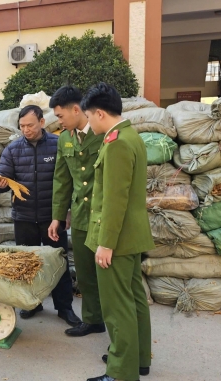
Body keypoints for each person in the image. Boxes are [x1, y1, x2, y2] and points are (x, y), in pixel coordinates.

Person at [81, 83, 154, 381]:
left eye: (88, 117)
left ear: (100, 114)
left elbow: (114, 199)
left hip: (117, 238)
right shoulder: (129, 136)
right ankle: (137, 358)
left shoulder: (117, 143)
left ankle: (122, 372)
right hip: (131, 235)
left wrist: (105, 243)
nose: (88, 123)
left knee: (117, 305)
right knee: (134, 298)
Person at [0, 105, 81, 327]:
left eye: (30, 125)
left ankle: (65, 307)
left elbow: (69, 179)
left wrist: (65, 211)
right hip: (23, 216)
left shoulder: (57, 144)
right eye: (22, 126)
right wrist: (0, 184)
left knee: (57, 263)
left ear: (42, 122)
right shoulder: (12, 150)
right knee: (27, 263)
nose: (26, 130)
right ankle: (32, 303)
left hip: (52, 217)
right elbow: (3, 180)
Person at [48, 86, 107, 338]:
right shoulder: (64, 139)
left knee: (107, 277)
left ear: (75, 109)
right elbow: (62, 181)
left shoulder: (103, 134)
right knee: (84, 273)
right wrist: (57, 216)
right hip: (82, 215)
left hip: (104, 216)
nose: (58, 121)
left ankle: (117, 330)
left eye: (60, 116)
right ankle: (93, 320)